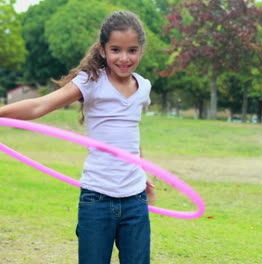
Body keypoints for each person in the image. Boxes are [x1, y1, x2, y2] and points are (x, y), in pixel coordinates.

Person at [0, 11, 155, 264]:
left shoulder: (143, 87)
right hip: (97, 199)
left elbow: (130, 133)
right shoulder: (91, 81)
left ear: (141, 51)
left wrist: (142, 169)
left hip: (135, 200)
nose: (124, 58)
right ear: (103, 50)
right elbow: (40, 106)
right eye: (116, 49)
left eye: (132, 50)